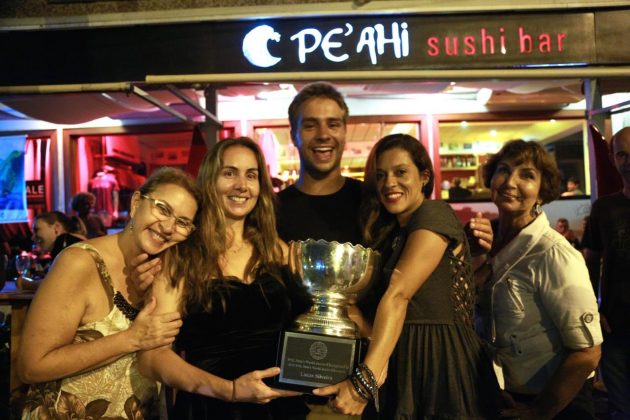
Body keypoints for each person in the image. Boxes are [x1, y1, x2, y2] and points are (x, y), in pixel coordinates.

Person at [313, 134, 501, 418]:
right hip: (402, 362)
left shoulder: (433, 212)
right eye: (381, 175)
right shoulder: (392, 234)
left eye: (401, 172)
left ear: (424, 176)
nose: (389, 183)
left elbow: (399, 295)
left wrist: (363, 384)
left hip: (439, 362)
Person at [137, 137, 310, 419]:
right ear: (209, 180)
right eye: (229, 173)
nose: (241, 185)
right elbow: (152, 358)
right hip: (210, 407)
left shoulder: (276, 249)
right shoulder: (181, 255)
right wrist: (230, 390)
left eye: (251, 175)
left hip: (277, 408)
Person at [18, 166, 199, 419]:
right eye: (162, 208)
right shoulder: (80, 262)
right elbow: (31, 366)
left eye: (182, 223)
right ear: (136, 203)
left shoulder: (166, 275)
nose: (169, 227)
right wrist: (131, 339)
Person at [476, 139, 602, 419]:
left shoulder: (554, 253)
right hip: (506, 397)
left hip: (557, 404)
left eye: (527, 175)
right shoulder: (489, 244)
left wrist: (540, 410)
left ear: (543, 191)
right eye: (504, 170)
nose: (510, 182)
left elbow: (588, 352)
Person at [582, 126, 630, 419]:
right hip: (616, 327)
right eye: (622, 154)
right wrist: (592, 308)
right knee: (622, 409)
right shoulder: (605, 208)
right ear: (613, 159)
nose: (628, 161)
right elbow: (588, 263)